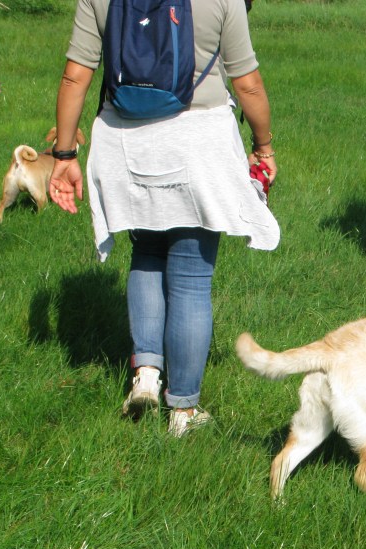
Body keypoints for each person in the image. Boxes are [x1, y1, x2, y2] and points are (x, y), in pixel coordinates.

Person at [49, 0, 280, 437]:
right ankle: (183, 410)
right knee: (191, 276)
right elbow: (247, 84)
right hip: (198, 140)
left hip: (127, 142)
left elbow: (75, 75)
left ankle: (146, 377)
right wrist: (263, 146)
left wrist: (63, 155)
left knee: (147, 254)